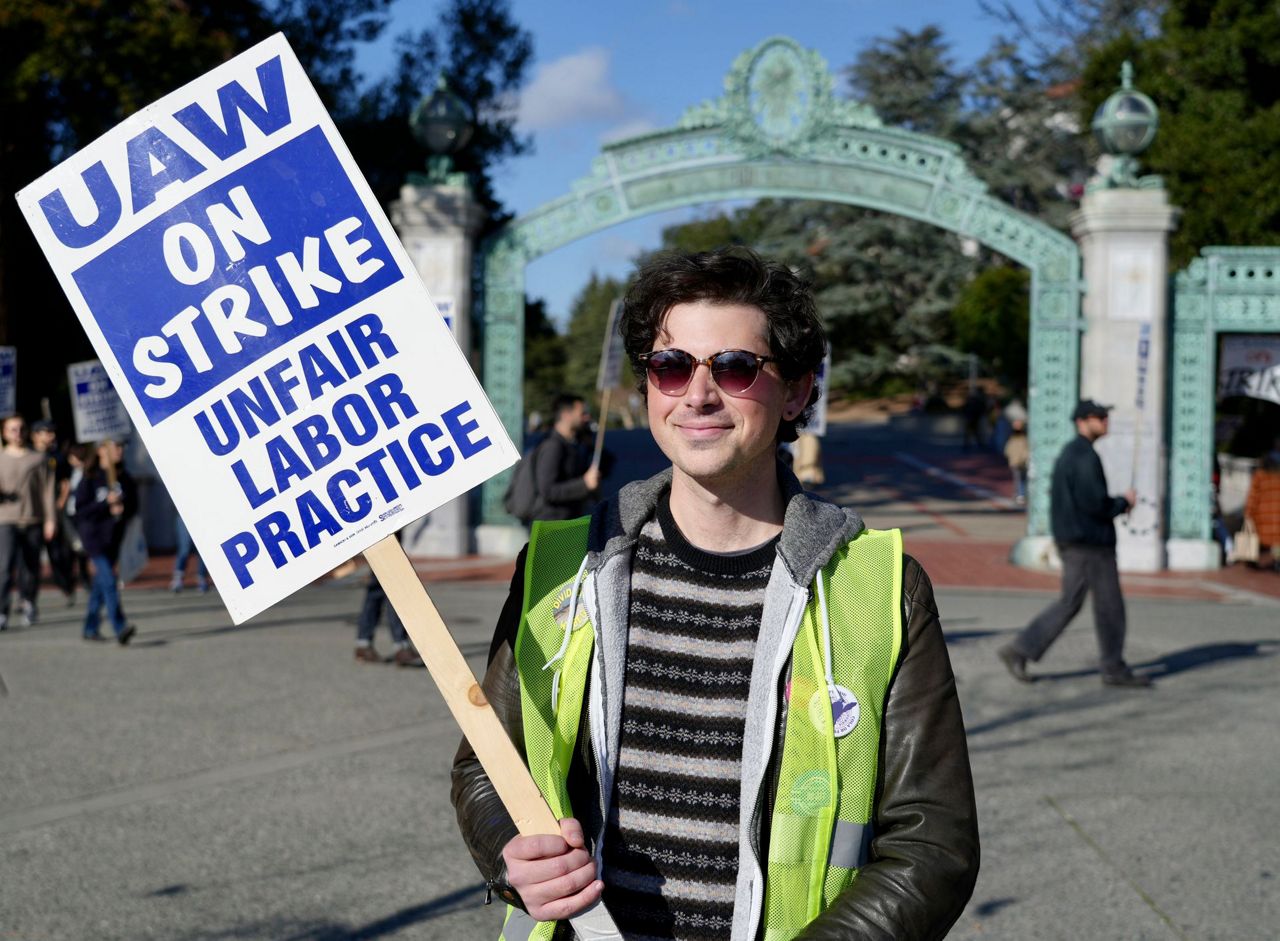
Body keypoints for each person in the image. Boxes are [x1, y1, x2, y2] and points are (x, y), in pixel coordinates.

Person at [452, 249, 979, 940]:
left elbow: (932, 843)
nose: (697, 394)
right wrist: (508, 855)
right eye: (672, 366)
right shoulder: (559, 565)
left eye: (733, 368)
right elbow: (485, 766)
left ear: (795, 392)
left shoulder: (881, 586)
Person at [997, 400, 1150, 688]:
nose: (1105, 421)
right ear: (1082, 421)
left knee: (1071, 603)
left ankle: (1020, 650)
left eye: (1105, 416)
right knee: (1109, 607)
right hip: (1090, 543)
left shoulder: (1074, 453)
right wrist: (1123, 502)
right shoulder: (1083, 456)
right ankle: (1112, 667)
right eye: (1099, 416)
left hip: (1078, 540)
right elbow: (1095, 504)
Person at [74, 438, 137, 644]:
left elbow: (134, 506)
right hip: (94, 538)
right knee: (110, 581)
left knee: (101, 585)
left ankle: (89, 628)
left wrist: (122, 508)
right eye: (115, 446)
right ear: (101, 450)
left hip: (113, 538)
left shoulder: (124, 477)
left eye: (122, 446)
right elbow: (81, 511)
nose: (119, 451)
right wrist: (104, 504)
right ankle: (120, 627)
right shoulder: (90, 478)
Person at [0, 414, 56, 628]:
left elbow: (47, 491)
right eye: (12, 429)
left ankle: (29, 602)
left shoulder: (38, 458)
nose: (17, 433)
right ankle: (2, 610)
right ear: (5, 433)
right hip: (5, 519)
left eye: (21, 428)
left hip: (33, 518)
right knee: (4, 567)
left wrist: (51, 519)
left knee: (30, 566)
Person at [530, 393, 600, 521]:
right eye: (582, 413)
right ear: (566, 415)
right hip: (551, 527)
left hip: (565, 524)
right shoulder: (552, 446)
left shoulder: (574, 444)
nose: (587, 417)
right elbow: (548, 490)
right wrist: (584, 484)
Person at [30, 420, 76, 604]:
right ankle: (28, 597)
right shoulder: (27, 455)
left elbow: (65, 482)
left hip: (53, 511)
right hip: (32, 512)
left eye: (52, 432)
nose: (51, 436)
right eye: (46, 432)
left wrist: (59, 504)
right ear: (35, 435)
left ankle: (66, 585)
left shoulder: (57, 457)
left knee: (57, 553)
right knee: (28, 556)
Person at [1243, 443, 1280, 570]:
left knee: (1256, 536)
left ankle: (1251, 559)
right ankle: (1277, 561)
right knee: (1277, 539)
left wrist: (1248, 512)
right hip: (1277, 513)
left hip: (1262, 513)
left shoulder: (1260, 475)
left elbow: (1253, 496)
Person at [170, 514, 209, 593]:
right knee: (185, 547)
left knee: (202, 548)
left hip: (203, 515)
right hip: (186, 514)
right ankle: (178, 578)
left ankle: (202, 577)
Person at [1004, 418, 1029, 506]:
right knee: (1020, 479)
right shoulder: (1021, 439)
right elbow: (1008, 450)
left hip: (1018, 462)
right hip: (1019, 462)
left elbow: (1007, 450)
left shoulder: (1015, 439)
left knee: (1019, 479)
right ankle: (1020, 494)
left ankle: (1020, 494)